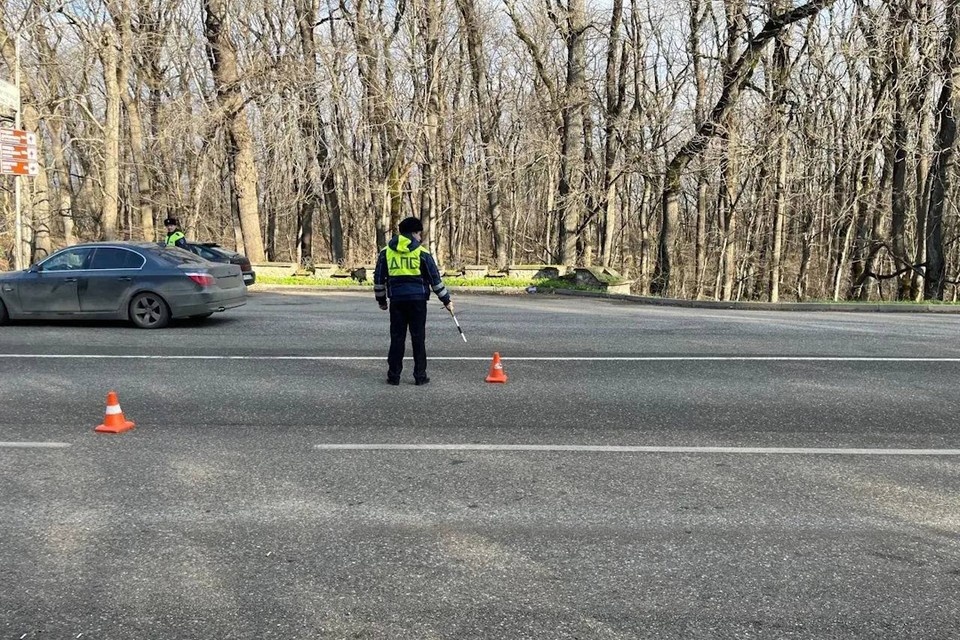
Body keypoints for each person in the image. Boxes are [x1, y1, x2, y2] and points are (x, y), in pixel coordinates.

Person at [374, 216, 452, 386]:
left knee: (397, 338)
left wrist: (381, 301)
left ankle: (393, 376)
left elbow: (379, 279)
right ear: (414, 233)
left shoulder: (386, 252)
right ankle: (420, 376)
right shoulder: (422, 253)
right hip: (417, 301)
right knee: (418, 338)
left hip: (397, 301)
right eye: (419, 234)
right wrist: (446, 300)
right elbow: (435, 280)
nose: (420, 238)